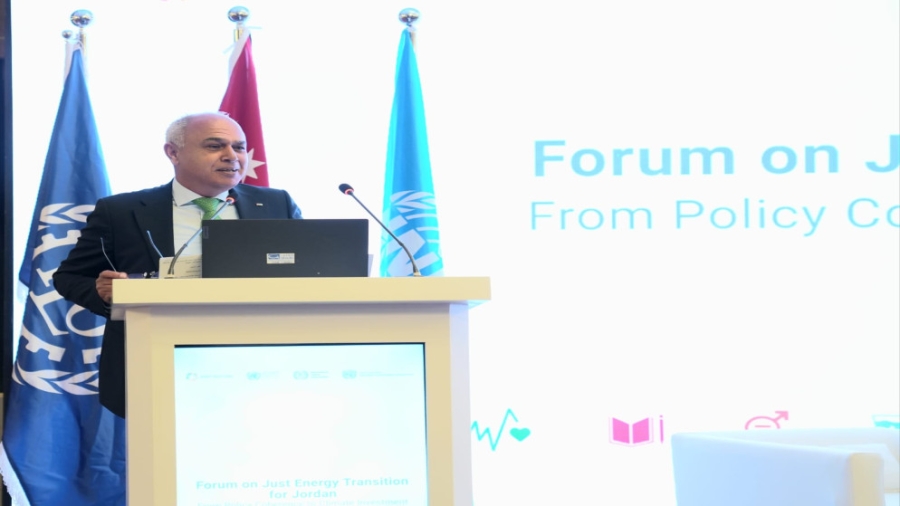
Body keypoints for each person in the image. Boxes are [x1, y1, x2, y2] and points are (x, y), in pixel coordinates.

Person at [53, 112, 302, 418]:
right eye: (215, 146)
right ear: (173, 152)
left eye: (239, 147)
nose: (232, 156)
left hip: (259, 365)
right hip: (156, 361)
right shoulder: (121, 211)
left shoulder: (276, 204)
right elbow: (69, 276)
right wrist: (106, 293)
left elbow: (308, 270)